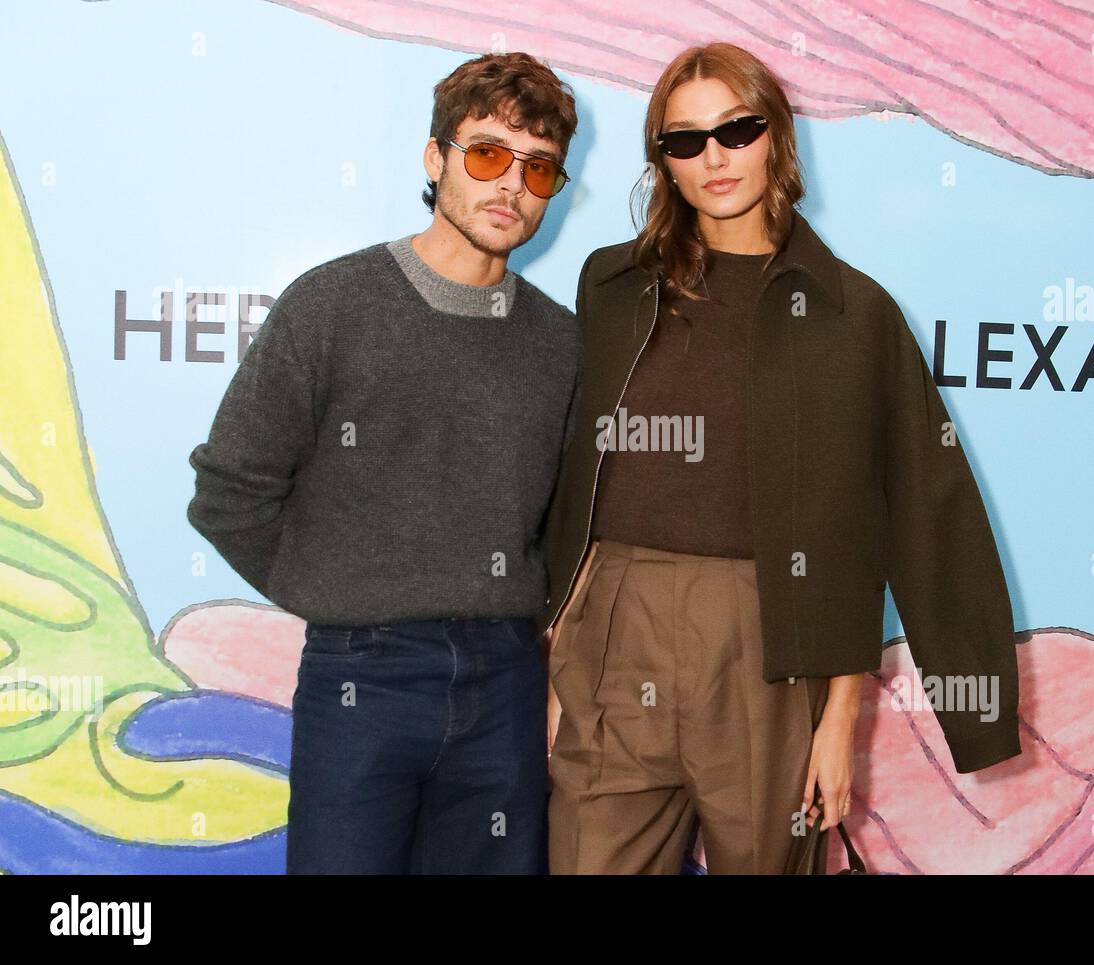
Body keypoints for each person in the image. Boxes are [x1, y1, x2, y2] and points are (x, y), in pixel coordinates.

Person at [538, 42, 1022, 875]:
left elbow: (917, 513)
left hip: (770, 638)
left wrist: (840, 720)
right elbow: (569, 470)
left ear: (777, 134)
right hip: (616, 632)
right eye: (684, 141)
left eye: (736, 128)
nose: (714, 156)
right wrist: (557, 652)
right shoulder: (610, 286)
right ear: (663, 163)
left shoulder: (853, 312)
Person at [186, 52, 581, 874]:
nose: (511, 185)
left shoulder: (561, 342)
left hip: (506, 679)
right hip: (360, 678)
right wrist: (340, 595)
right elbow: (230, 492)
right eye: (486, 155)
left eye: (537, 167)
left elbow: (574, 522)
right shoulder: (331, 305)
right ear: (434, 159)